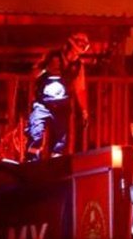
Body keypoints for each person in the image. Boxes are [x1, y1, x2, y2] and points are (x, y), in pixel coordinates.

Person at [25, 31, 90, 162]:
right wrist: (45, 68)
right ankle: (32, 162)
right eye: (74, 51)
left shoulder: (78, 66)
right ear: (68, 47)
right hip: (42, 104)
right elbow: (33, 74)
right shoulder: (51, 56)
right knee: (35, 133)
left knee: (60, 139)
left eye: (78, 53)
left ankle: (56, 163)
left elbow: (80, 89)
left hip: (62, 107)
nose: (75, 55)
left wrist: (84, 111)